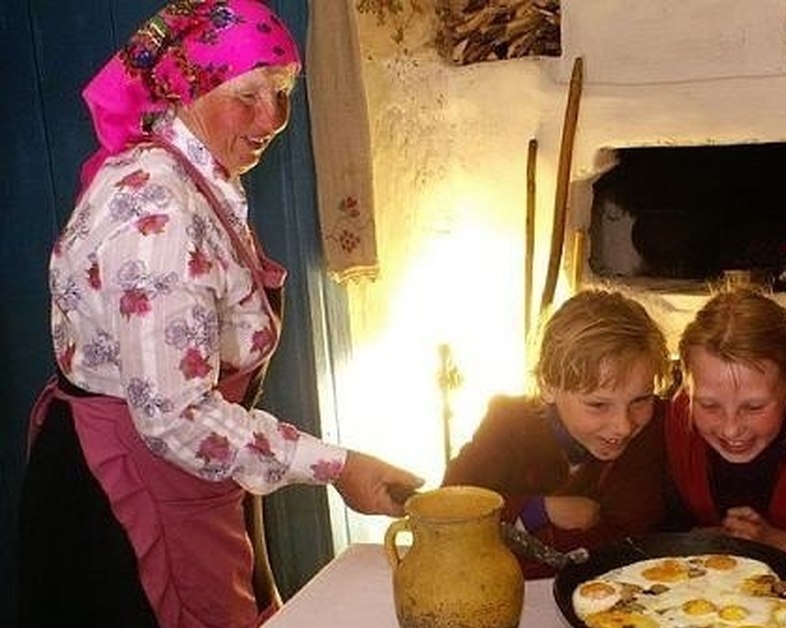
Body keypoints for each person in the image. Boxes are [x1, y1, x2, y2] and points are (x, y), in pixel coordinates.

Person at [17, 2, 424, 627]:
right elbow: (175, 416)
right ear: (186, 89)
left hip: (179, 473)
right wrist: (337, 466)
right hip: (138, 485)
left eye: (282, 94)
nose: (271, 119)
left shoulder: (191, 173)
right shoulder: (158, 216)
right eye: (247, 96)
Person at [442, 289, 673, 578]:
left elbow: (633, 539)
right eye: (598, 405)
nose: (623, 426)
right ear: (548, 385)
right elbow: (445, 512)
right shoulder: (509, 423)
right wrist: (538, 510)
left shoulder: (656, 430)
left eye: (640, 400)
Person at [664, 288, 786, 565]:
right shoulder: (674, 425)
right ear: (687, 386)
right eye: (709, 405)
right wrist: (709, 538)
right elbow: (658, 529)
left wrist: (776, 543)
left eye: (753, 407)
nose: (730, 430)